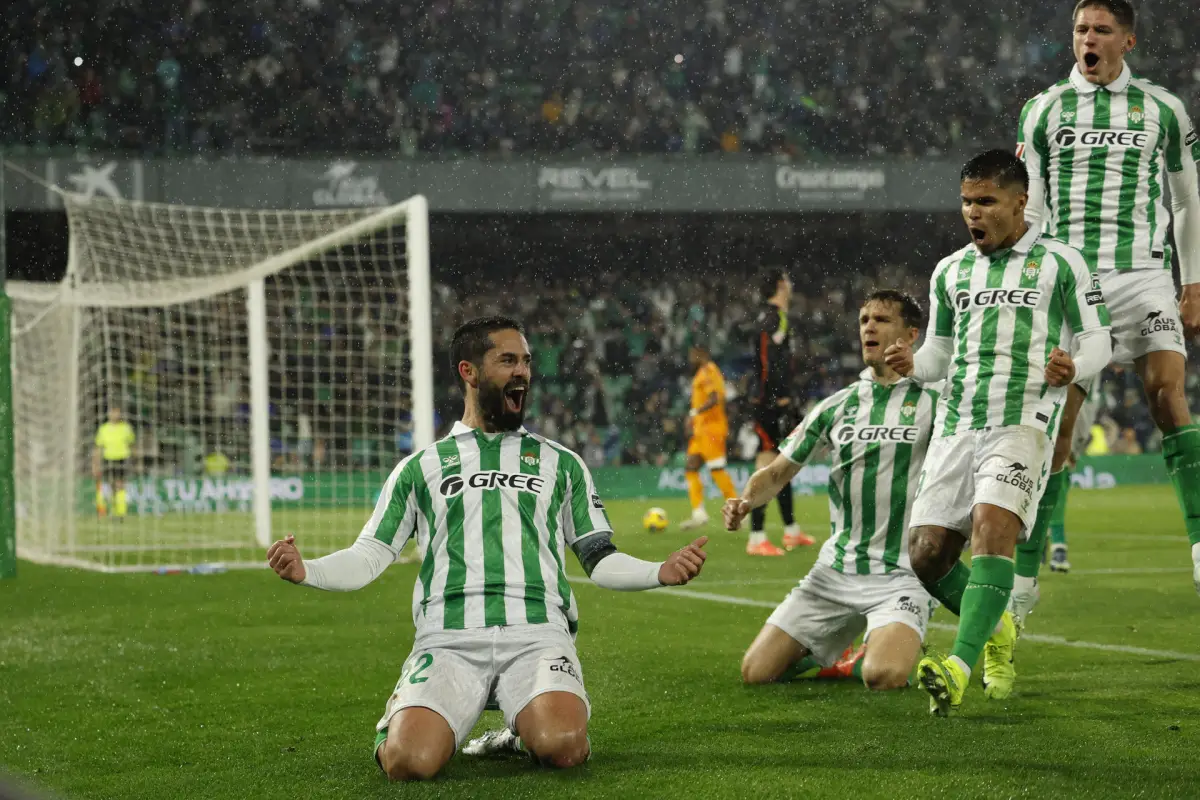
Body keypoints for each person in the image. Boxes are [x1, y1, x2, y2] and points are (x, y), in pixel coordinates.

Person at [266, 316, 709, 781]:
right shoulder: (420, 468)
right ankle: (404, 723)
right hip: (448, 638)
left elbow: (599, 558)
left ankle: (518, 734)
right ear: (469, 372)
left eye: (526, 362)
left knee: (563, 747)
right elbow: (369, 556)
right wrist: (307, 570)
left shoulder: (562, 464)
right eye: (507, 360)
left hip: (537, 634)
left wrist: (659, 570)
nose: (523, 372)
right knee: (407, 763)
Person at [885, 149, 1112, 714]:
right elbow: (939, 353)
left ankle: (960, 665)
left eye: (985, 201)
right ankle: (999, 627)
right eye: (966, 202)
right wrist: (916, 365)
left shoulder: (1062, 262)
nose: (973, 213)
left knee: (992, 530)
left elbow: (1099, 339)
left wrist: (1075, 368)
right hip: (957, 424)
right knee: (927, 554)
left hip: (1023, 421)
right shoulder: (950, 270)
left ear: (1020, 202)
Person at [1016, 0, 1200, 601]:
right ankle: (1023, 578)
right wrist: (1034, 282)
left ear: (1128, 40)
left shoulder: (1163, 109)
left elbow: (1186, 201)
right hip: (1073, 282)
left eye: (1100, 30)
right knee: (1059, 431)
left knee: (1167, 392)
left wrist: (1192, 281)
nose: (1087, 39)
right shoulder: (1043, 110)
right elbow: (1034, 208)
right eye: (1080, 29)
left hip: (1144, 274)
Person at [730, 290, 939, 690]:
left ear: (911, 335)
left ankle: (874, 651)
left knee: (885, 676)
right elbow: (775, 473)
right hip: (835, 572)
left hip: (902, 573)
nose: (869, 328)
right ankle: (838, 656)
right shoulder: (837, 406)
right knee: (756, 672)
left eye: (881, 319)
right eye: (863, 321)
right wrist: (745, 502)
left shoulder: (937, 401)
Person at [745, 268, 814, 555]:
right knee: (767, 466)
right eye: (787, 280)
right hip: (770, 406)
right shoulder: (770, 319)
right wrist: (774, 399)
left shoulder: (778, 319)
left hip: (777, 402)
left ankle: (790, 531)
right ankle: (756, 537)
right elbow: (765, 363)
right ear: (780, 285)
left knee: (783, 467)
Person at [679, 339, 740, 530]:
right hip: (701, 431)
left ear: (701, 353)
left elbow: (714, 398)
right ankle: (699, 514)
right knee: (690, 467)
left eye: (692, 354)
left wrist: (694, 413)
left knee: (717, 470)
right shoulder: (702, 372)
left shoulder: (707, 371)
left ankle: (737, 511)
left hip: (711, 429)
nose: (690, 358)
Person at [93, 406, 135, 519]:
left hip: (122, 457)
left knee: (120, 484)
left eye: (117, 412)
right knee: (111, 485)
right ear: (109, 414)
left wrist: (133, 458)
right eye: (112, 412)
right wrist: (95, 463)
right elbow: (98, 447)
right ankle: (113, 510)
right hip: (108, 458)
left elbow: (131, 443)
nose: (114, 415)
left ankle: (121, 512)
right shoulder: (103, 428)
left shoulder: (126, 428)